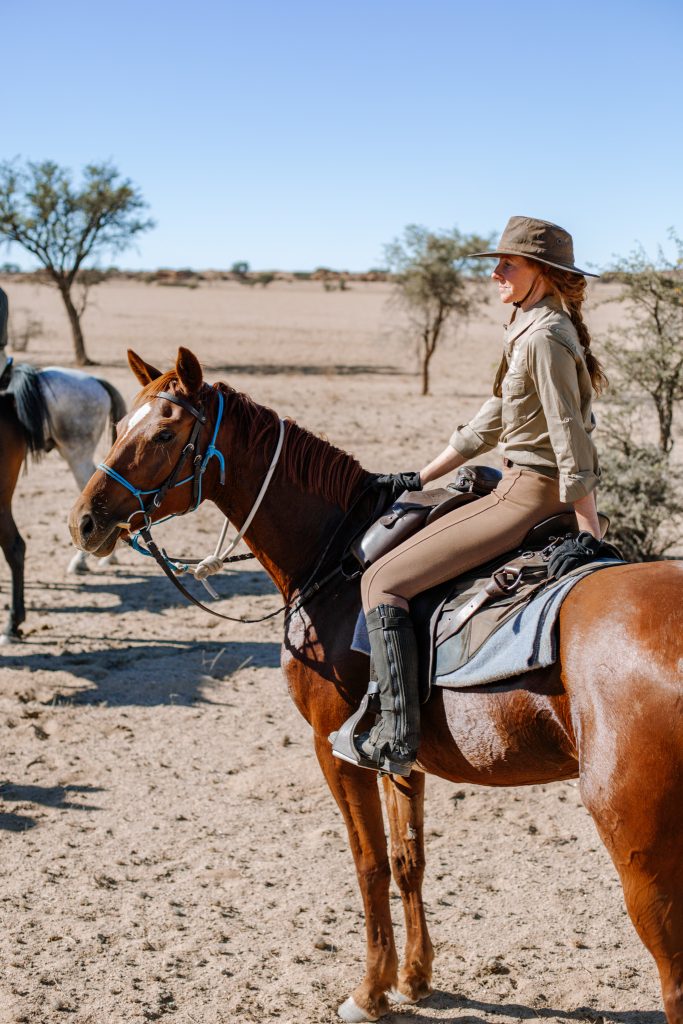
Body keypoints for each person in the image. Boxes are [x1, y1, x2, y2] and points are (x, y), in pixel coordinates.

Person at [332, 215, 609, 778]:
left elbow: (567, 435)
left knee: (381, 580)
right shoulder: (529, 325)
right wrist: (417, 477)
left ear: (541, 272)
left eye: (508, 264)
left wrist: (589, 527)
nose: (496, 274)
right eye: (497, 264)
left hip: (529, 493)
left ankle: (396, 734)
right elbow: (492, 420)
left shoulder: (545, 336)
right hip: (518, 482)